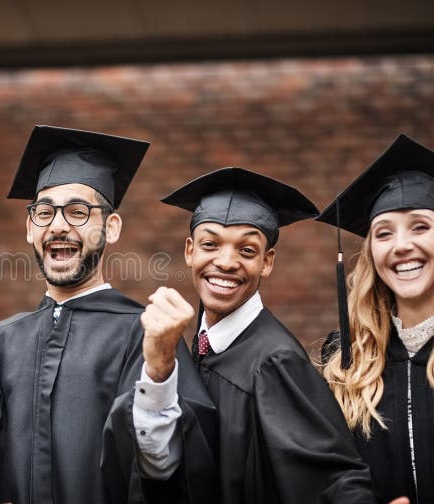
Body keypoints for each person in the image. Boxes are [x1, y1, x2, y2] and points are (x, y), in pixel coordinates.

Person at [0, 125, 217, 504]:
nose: (58, 225)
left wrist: (158, 369)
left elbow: (163, 469)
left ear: (111, 228)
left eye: (78, 212)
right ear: (30, 228)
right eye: (44, 212)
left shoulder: (144, 337)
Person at [159, 167, 380, 503]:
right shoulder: (203, 343)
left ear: (267, 261)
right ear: (190, 251)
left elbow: (327, 476)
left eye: (247, 250)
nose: (226, 261)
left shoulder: (274, 361)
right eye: (210, 244)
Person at [318, 134, 434, 504]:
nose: (401, 245)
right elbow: (330, 473)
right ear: (371, 252)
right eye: (384, 233)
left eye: (420, 226)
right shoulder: (346, 359)